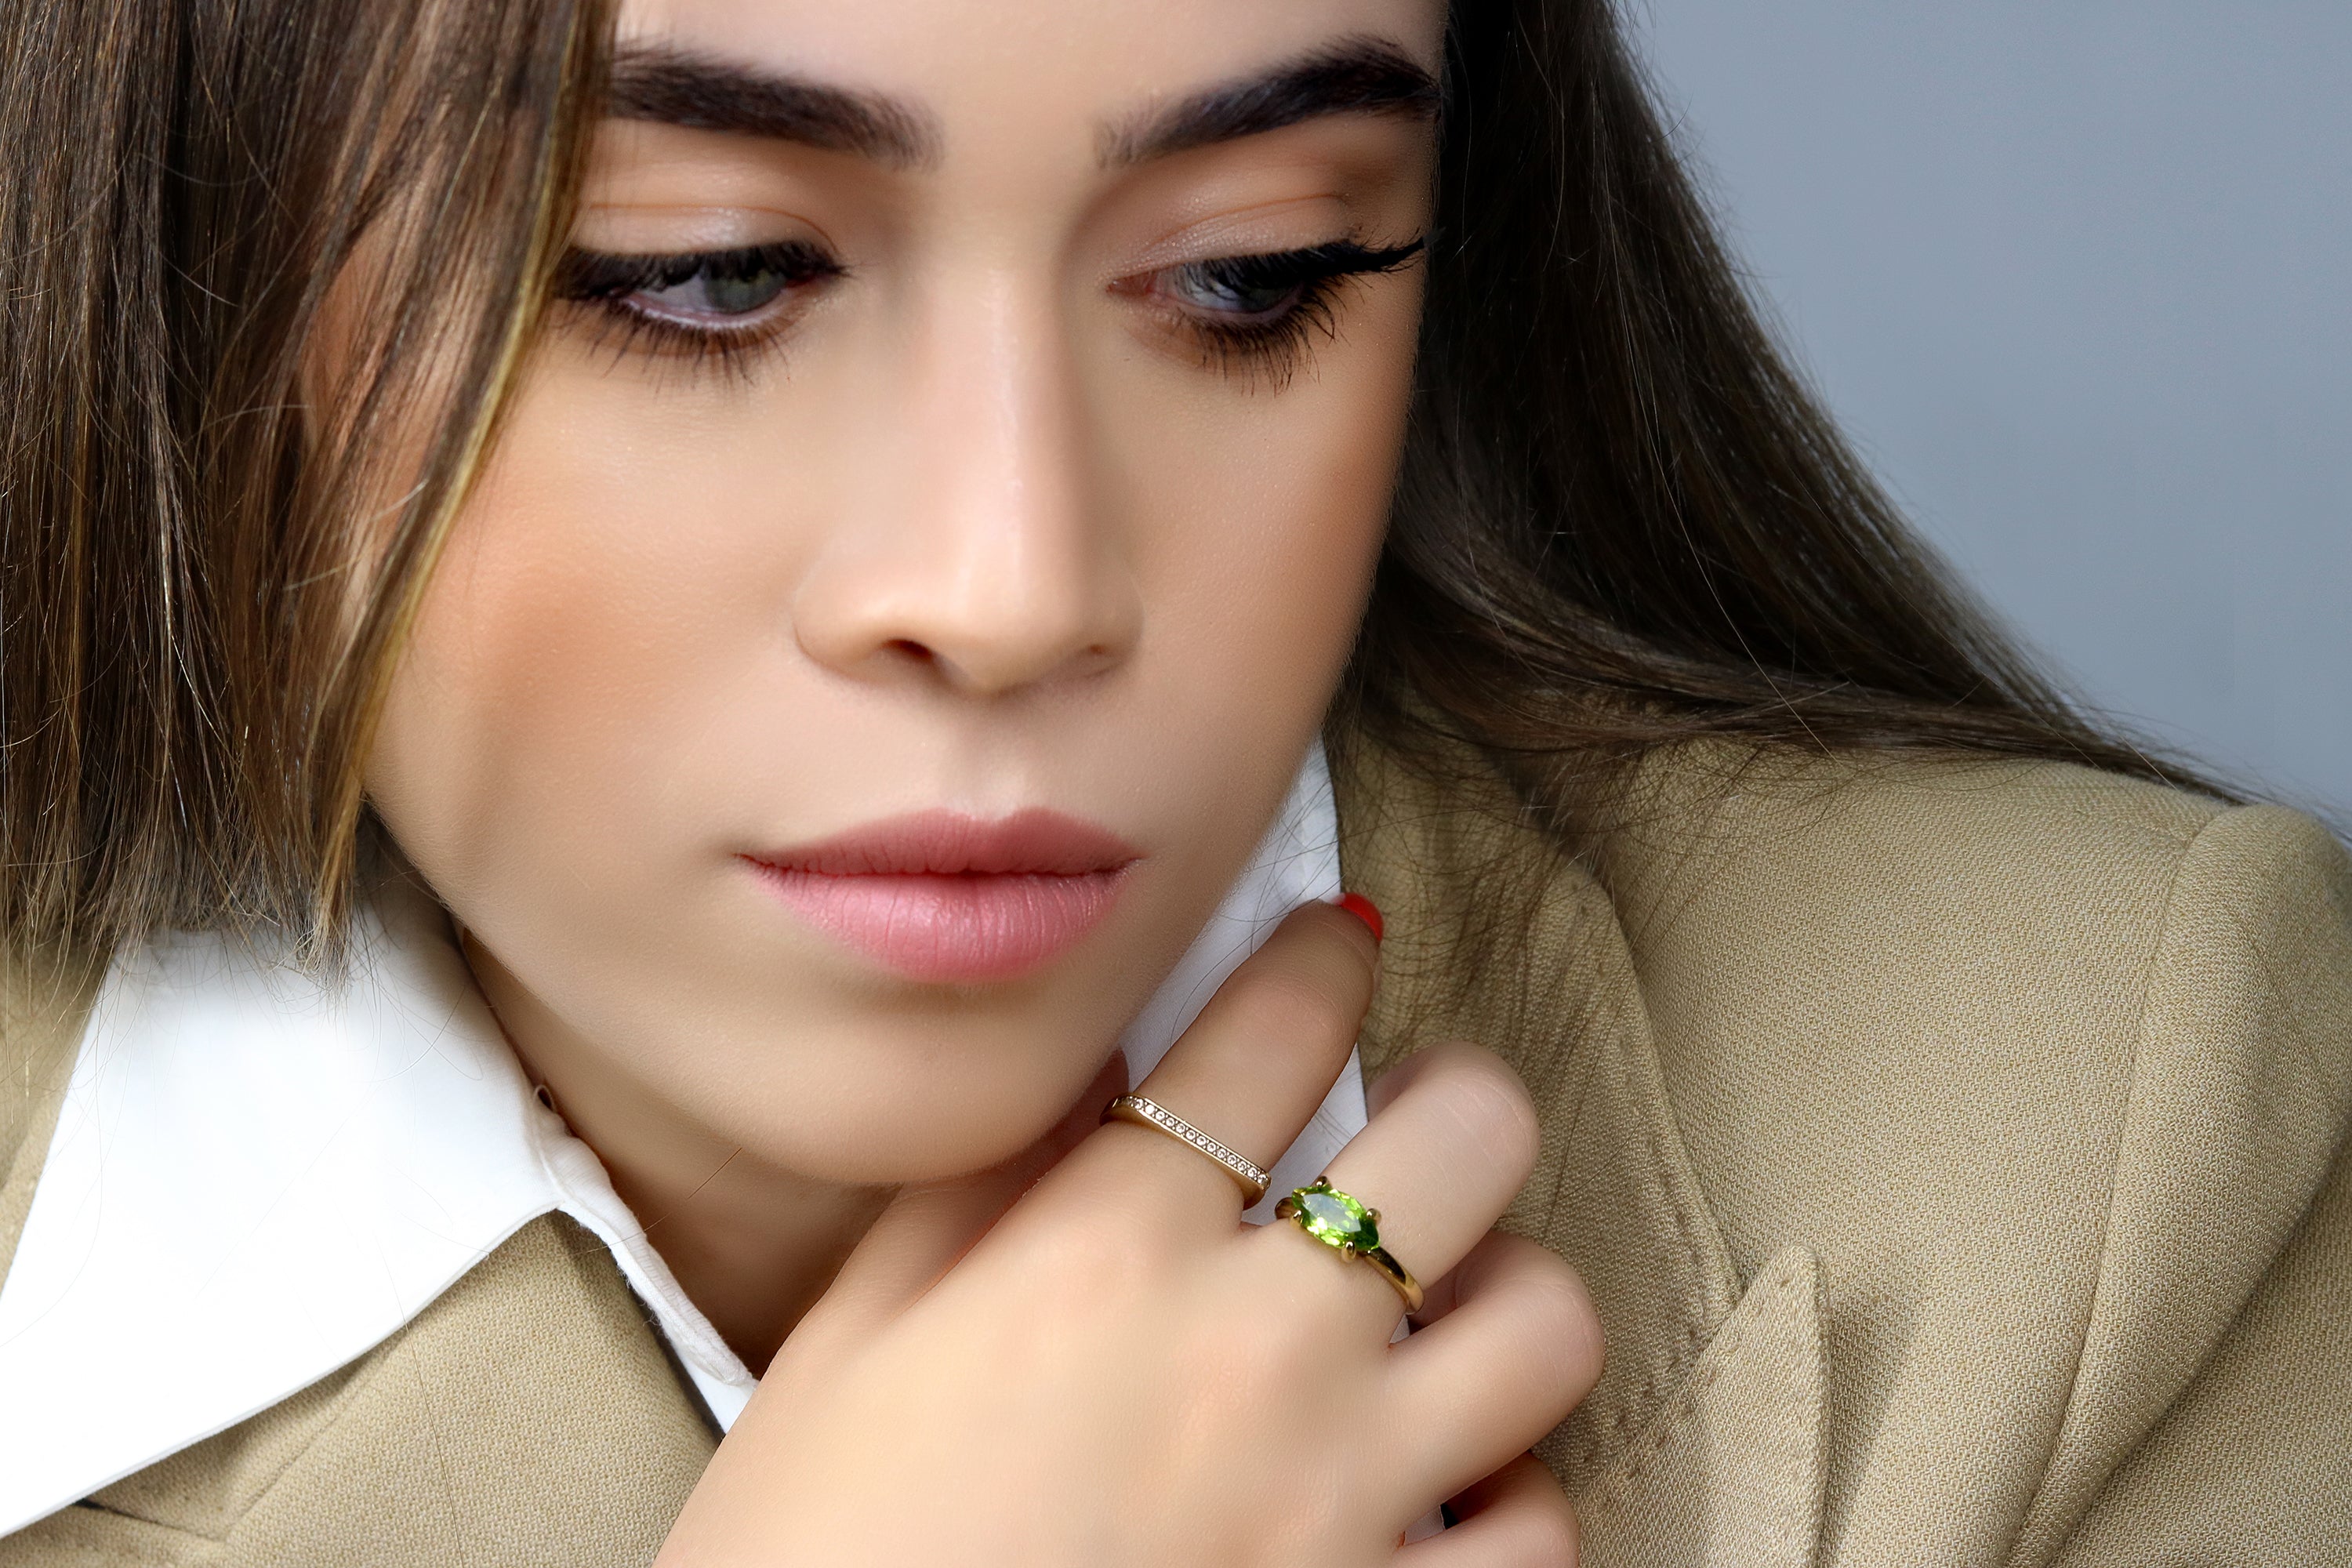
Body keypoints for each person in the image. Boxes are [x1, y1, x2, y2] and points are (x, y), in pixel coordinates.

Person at [1, 0, 2345, 1563]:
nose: (1017, 583)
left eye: (1256, 277)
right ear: (177, 211)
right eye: (706, 276)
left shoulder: (2109, 1132)